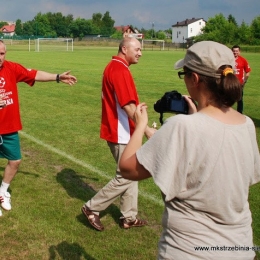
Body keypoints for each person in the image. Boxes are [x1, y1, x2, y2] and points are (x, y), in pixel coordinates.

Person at [119, 41, 260, 259]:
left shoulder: (182, 127)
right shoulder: (247, 125)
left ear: (194, 79)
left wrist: (140, 126)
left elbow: (127, 168)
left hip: (189, 250)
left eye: (184, 73)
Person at [81, 37, 156, 231]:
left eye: (141, 50)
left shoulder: (116, 67)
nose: (140, 53)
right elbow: (128, 106)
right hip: (121, 131)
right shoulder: (119, 70)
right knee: (126, 175)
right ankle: (92, 208)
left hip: (122, 130)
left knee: (132, 172)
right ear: (124, 49)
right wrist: (147, 130)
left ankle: (129, 217)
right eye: (137, 49)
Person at [0, 40, 77, 215]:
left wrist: (57, 77)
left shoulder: (11, 68)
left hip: (9, 128)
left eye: (2, 54)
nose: (0, 57)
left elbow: (34, 74)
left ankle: (3, 191)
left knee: (15, 161)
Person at [232, 45, 251, 114]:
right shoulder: (228, 60)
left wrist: (244, 81)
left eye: (236, 51)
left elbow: (248, 72)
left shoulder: (243, 60)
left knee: (239, 99)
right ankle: (226, 114)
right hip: (229, 83)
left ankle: (239, 113)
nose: (235, 52)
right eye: (234, 51)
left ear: (239, 51)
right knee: (227, 98)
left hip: (239, 83)